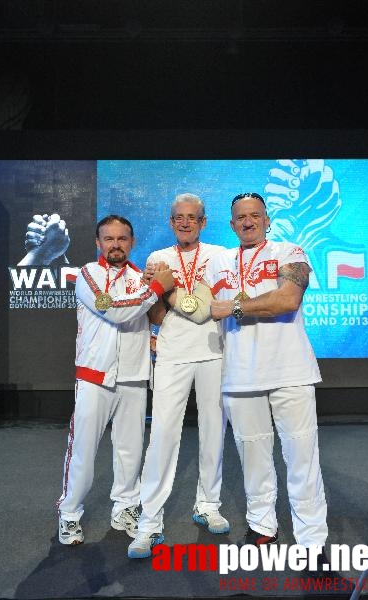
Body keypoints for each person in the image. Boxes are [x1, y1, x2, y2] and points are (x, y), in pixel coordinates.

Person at [166, 192, 328, 558]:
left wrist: (235, 306)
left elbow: (287, 301)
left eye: (255, 215)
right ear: (231, 224)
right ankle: (262, 528)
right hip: (239, 375)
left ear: (267, 220)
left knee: (302, 459)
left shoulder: (289, 252)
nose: (248, 221)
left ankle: (313, 542)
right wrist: (167, 290)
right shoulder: (218, 261)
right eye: (241, 217)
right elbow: (201, 310)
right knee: (253, 460)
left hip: (291, 371)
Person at [56, 215, 175, 545]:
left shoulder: (141, 277)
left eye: (122, 239)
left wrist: (155, 294)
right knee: (82, 451)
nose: (115, 245)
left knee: (130, 452)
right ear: (98, 243)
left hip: (134, 377)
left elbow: (150, 315)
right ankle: (69, 515)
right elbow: (117, 311)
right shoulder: (86, 275)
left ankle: (125, 509)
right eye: (108, 239)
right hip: (94, 377)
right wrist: (155, 289)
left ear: (132, 243)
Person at [128, 193, 229, 559]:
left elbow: (211, 309)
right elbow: (154, 312)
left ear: (203, 222)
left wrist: (175, 292)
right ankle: (149, 523)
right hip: (171, 354)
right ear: (171, 222)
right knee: (162, 437)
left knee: (213, 431)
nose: (185, 223)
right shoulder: (158, 259)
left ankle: (208, 504)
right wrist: (165, 297)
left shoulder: (220, 256)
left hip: (213, 351)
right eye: (178, 218)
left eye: (192, 217)